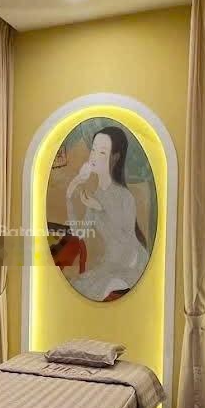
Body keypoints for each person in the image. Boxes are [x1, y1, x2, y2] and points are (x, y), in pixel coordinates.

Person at [65, 126, 150, 300]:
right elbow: (80, 233)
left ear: (115, 157)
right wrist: (72, 188)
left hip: (131, 264)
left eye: (102, 152)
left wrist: (101, 209)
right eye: (93, 150)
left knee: (101, 288)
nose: (94, 156)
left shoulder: (125, 196)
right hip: (109, 264)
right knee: (77, 286)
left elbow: (127, 241)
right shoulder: (96, 196)